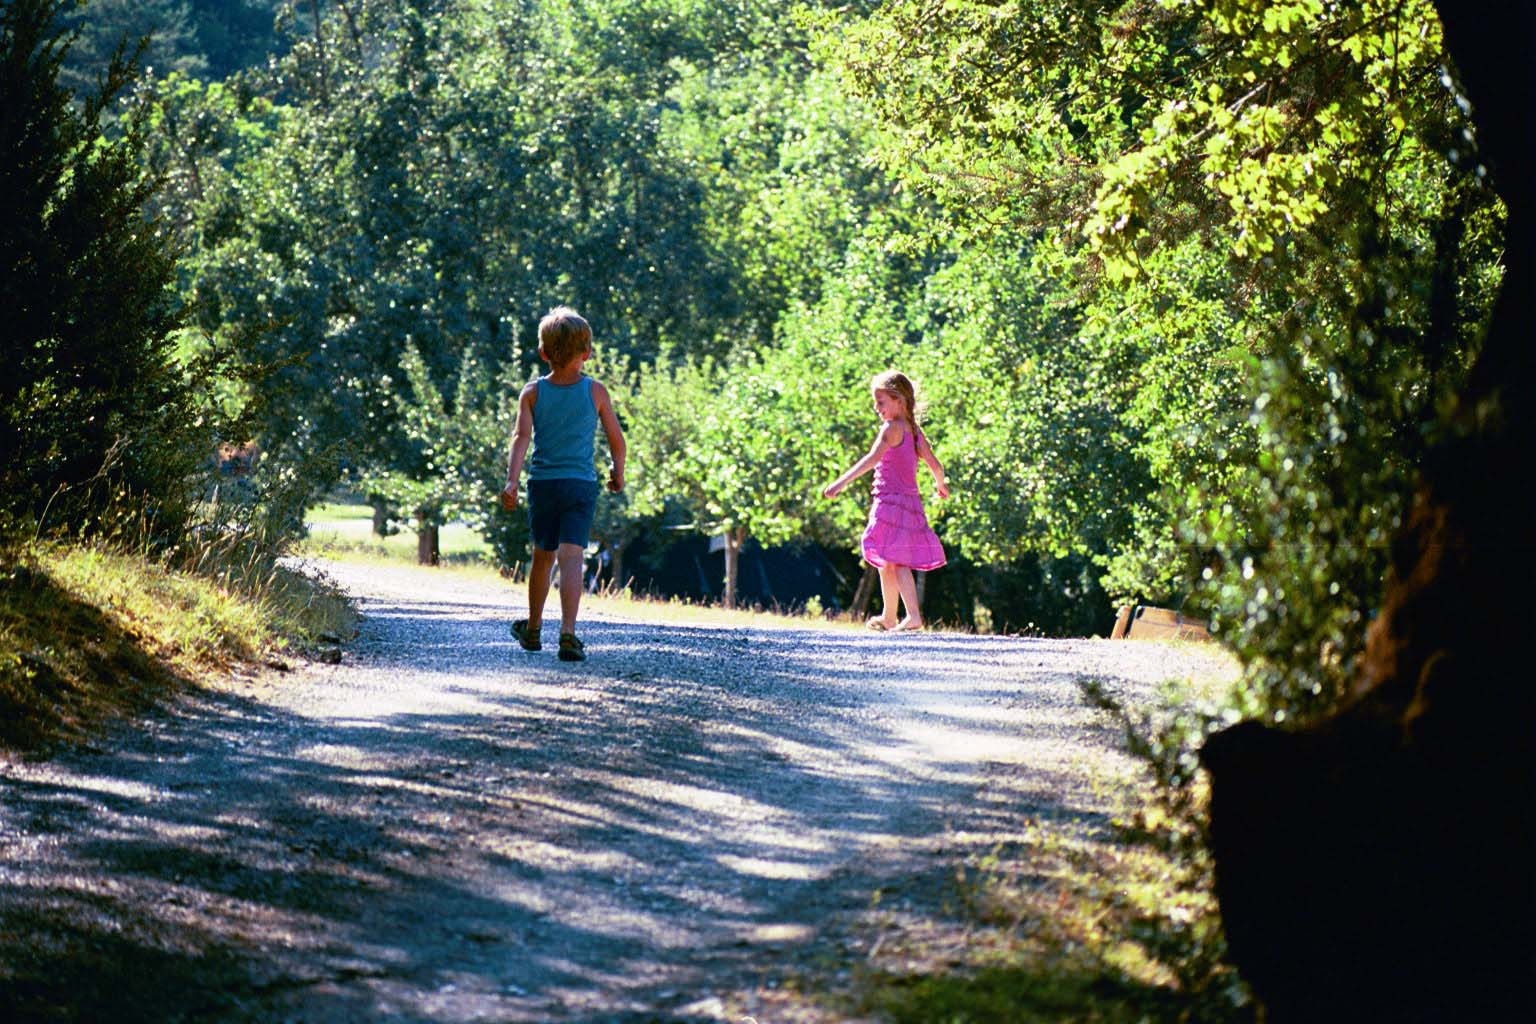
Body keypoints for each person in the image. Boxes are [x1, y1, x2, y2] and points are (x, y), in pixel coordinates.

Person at [501, 306, 626, 661]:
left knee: (543, 556)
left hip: (543, 484)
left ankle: (534, 629)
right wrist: (618, 471)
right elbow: (617, 440)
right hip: (580, 485)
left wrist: (512, 481)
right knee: (572, 557)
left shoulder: (532, 392)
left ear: (543, 352)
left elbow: (520, 438)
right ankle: (568, 634)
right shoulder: (596, 391)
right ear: (586, 352)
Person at [823, 370, 949, 631]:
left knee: (896, 560)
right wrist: (940, 484)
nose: (876, 407)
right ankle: (889, 616)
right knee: (885, 559)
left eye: (881, 402)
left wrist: (840, 483)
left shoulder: (891, 429)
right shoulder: (914, 432)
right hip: (910, 504)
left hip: (890, 503)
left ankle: (913, 616)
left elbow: (871, 460)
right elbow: (935, 465)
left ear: (899, 401)